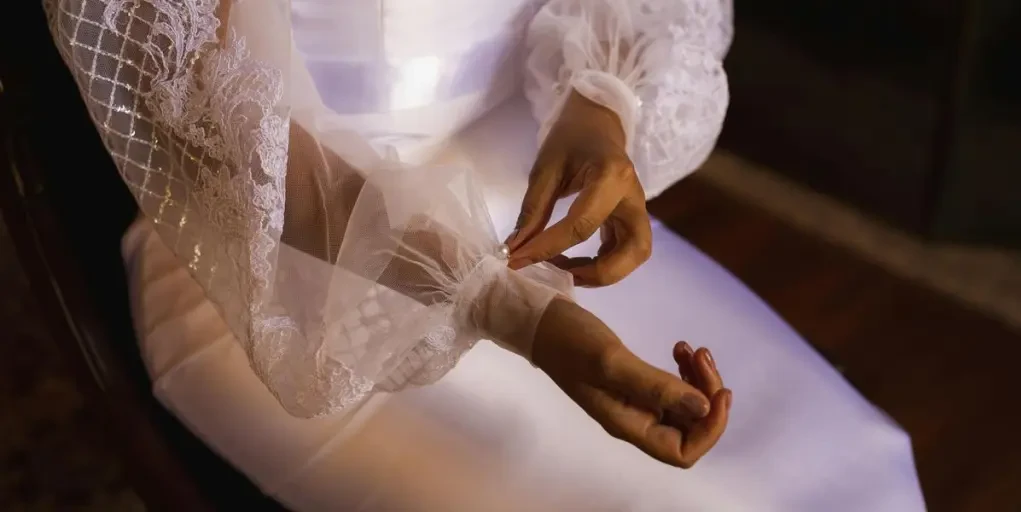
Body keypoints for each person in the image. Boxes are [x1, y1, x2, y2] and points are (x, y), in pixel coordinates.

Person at [46, 0, 927, 510]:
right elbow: (222, 135)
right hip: (279, 278)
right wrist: (509, 308)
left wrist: (600, 100)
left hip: (513, 196)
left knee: (851, 472)